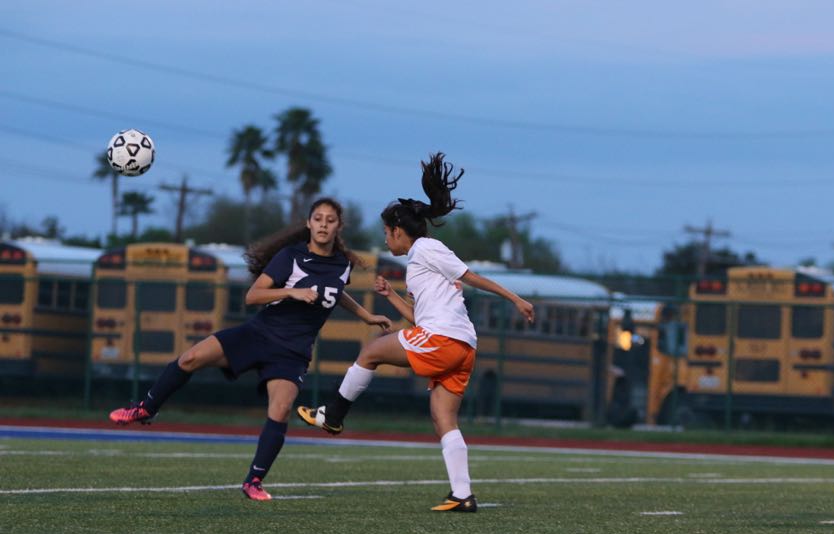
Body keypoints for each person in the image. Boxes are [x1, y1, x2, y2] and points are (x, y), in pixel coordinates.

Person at [297, 153, 535, 513]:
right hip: (461, 347)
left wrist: (515, 298)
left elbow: (470, 277)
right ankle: (462, 495)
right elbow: (419, 321)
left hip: (444, 340)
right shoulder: (418, 264)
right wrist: (391, 296)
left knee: (371, 352)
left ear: (397, 230)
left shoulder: (426, 248)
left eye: (386, 232)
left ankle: (332, 414)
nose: (385, 239)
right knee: (443, 417)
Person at [108, 198, 391, 501]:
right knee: (190, 358)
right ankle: (146, 408)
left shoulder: (343, 263)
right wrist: (291, 292)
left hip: (293, 351)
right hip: (259, 333)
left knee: (280, 410)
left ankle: (253, 481)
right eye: (318, 218)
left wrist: (367, 316)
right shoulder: (290, 256)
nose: (323, 224)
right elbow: (253, 296)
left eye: (330, 220)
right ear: (309, 224)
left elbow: (337, 293)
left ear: (339, 226)